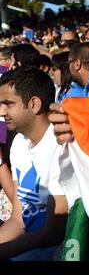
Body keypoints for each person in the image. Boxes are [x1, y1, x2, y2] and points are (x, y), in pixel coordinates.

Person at [0, 67, 68, 260]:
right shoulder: (19, 143)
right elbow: (18, 220)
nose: (2, 111)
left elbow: (53, 234)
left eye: (8, 104)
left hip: (57, 249)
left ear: (34, 104)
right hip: (29, 244)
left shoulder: (60, 146)